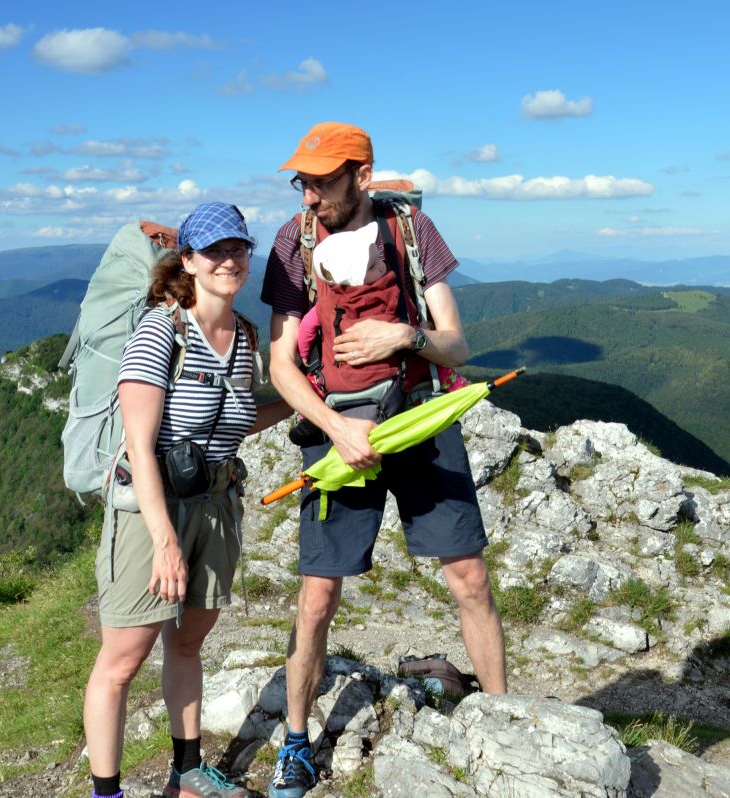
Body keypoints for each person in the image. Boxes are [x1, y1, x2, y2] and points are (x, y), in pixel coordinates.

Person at [260, 122, 506, 798]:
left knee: (470, 579)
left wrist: (406, 334)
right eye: (301, 182)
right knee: (317, 598)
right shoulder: (293, 242)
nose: (308, 196)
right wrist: (335, 428)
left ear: (361, 176)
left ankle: (503, 718)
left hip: (419, 415)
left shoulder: (412, 231)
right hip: (338, 430)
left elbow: (456, 348)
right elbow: (280, 366)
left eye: (321, 181)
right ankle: (298, 744)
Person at [83, 202, 291, 798]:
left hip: (217, 504)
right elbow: (140, 446)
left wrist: (316, 406)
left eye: (238, 249)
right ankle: (107, 793)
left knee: (189, 641)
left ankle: (187, 772)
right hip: (151, 512)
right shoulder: (161, 330)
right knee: (122, 660)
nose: (229, 260)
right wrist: (166, 544)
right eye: (215, 251)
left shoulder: (245, 335)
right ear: (190, 261)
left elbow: (238, 420)